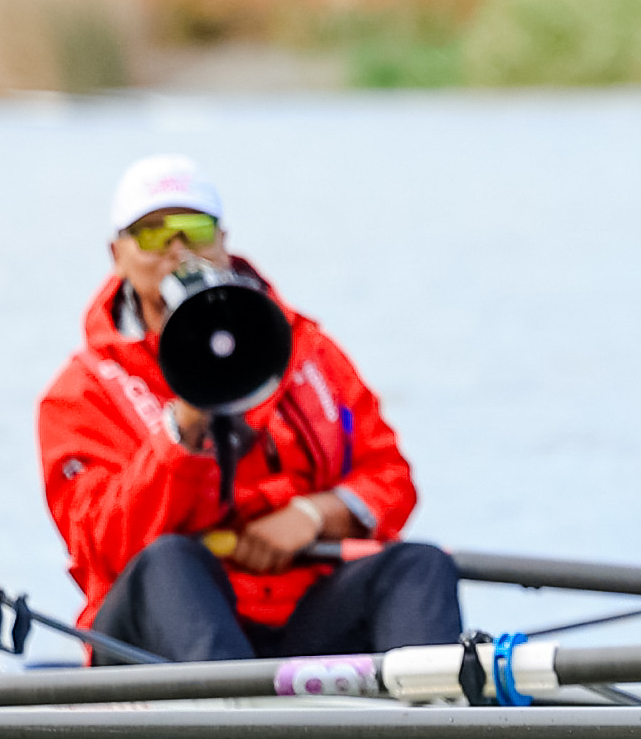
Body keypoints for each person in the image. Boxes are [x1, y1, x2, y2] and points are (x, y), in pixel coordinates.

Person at [37, 155, 458, 666]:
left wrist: (314, 514)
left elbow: (391, 476)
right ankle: (239, 729)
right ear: (117, 253)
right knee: (171, 563)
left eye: (194, 230)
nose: (176, 251)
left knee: (420, 565)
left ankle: (437, 730)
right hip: (163, 623)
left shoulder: (308, 350)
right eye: (152, 234)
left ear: (223, 243)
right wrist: (184, 426)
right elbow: (106, 548)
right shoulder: (79, 392)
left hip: (299, 606)